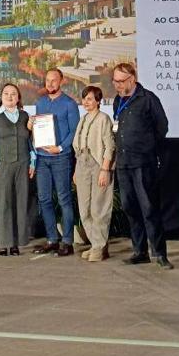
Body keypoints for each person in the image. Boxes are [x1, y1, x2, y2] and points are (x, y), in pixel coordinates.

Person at [112, 62, 173, 269]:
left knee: (149, 209)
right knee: (130, 208)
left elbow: (162, 127)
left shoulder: (148, 99)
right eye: (115, 81)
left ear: (132, 79)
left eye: (121, 81)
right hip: (123, 163)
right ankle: (140, 251)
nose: (117, 85)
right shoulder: (118, 101)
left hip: (143, 163)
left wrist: (147, 147)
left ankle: (160, 253)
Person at [0, 83, 36, 256]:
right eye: (6, 93)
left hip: (22, 164)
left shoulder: (25, 116)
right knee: (3, 203)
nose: (9, 96)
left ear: (18, 97)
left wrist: (33, 162)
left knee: (20, 203)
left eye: (13, 94)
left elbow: (30, 141)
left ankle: (15, 244)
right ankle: (3, 243)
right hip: (2, 165)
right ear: (1, 97)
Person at [31, 68, 80, 257]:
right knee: (44, 199)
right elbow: (38, 128)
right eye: (47, 80)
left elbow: (74, 132)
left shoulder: (69, 104)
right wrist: (31, 127)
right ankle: (52, 240)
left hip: (61, 157)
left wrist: (59, 147)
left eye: (54, 80)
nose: (50, 84)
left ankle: (67, 242)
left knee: (63, 199)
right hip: (42, 158)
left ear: (61, 81)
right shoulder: (40, 102)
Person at [73, 85, 115, 261]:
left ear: (98, 101)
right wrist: (76, 170)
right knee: (84, 209)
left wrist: (105, 169)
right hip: (82, 163)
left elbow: (109, 146)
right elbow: (78, 145)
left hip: (98, 164)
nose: (86, 102)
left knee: (99, 208)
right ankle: (97, 244)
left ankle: (99, 246)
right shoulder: (83, 119)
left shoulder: (103, 119)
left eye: (90, 99)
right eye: (84, 99)